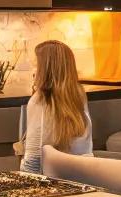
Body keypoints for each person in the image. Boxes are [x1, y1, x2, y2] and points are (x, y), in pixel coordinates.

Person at [20, 39, 93, 173]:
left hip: (48, 183)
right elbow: (87, 151)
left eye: (36, 64)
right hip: (82, 178)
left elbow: (33, 161)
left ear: (46, 69)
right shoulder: (78, 95)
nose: (33, 70)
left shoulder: (38, 101)